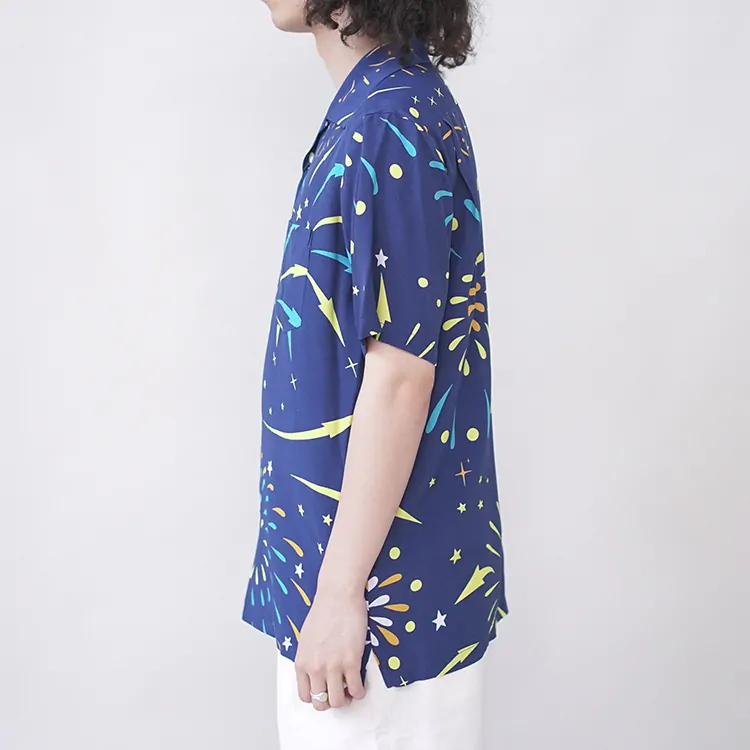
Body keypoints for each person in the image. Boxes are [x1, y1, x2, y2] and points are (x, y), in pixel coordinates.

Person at [243, 1, 508, 747]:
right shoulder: (383, 106)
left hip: (372, 612)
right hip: (353, 587)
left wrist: (337, 596)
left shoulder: (387, 121)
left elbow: (399, 375)